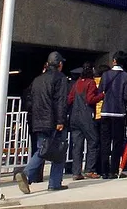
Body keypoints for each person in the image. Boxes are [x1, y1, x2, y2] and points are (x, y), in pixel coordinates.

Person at [15, 52, 70, 194]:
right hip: (53, 121)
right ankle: (50, 181)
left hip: (38, 121)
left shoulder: (37, 80)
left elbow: (30, 101)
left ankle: (29, 175)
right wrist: (61, 120)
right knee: (58, 150)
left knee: (42, 148)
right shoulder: (61, 79)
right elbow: (61, 102)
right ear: (60, 64)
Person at [97, 52, 127, 179]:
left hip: (105, 111)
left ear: (114, 61)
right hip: (119, 112)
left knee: (105, 142)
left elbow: (100, 91)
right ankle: (114, 171)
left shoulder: (105, 75)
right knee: (117, 142)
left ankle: (104, 171)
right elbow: (126, 96)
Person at [66, 63, 104, 179]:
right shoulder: (90, 83)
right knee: (93, 141)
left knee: (77, 145)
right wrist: (102, 95)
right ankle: (89, 169)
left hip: (74, 117)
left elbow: (70, 99)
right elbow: (90, 99)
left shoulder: (77, 83)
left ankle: (76, 172)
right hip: (86, 116)